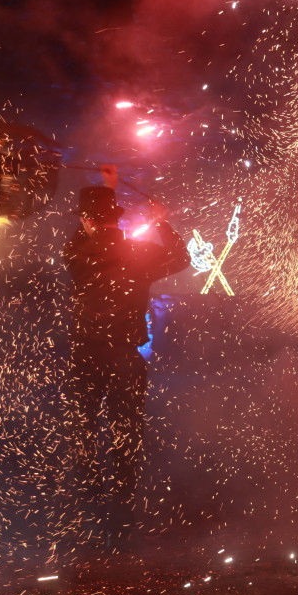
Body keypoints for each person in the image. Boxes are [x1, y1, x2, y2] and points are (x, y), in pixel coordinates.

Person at [62, 165, 190, 546]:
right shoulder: (138, 252)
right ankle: (119, 523)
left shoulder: (77, 253)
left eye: (84, 218)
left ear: (86, 219)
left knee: (82, 436)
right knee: (125, 438)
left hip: (85, 357)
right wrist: (160, 222)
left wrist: (106, 190)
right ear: (115, 217)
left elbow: (80, 241)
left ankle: (89, 516)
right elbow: (182, 258)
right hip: (124, 359)